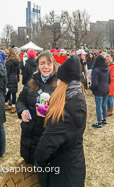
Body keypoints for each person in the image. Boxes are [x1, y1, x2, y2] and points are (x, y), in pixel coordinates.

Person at [34, 56, 87, 186]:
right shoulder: (77, 97)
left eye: (59, 80)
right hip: (74, 165)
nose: (57, 82)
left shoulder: (66, 111)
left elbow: (45, 148)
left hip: (63, 174)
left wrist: (39, 166)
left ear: (64, 83)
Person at [17, 51, 58, 165]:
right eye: (42, 63)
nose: (45, 67)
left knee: (42, 169)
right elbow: (21, 100)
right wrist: (22, 111)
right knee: (29, 165)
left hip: (46, 136)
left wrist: (48, 112)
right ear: (38, 65)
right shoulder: (31, 81)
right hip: (28, 135)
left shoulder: (59, 85)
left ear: (53, 65)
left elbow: (64, 113)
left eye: (49, 64)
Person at [89, 54, 110, 129]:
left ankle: (99, 123)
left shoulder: (95, 70)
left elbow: (95, 83)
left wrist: (91, 88)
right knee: (104, 105)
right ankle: (104, 119)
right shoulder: (107, 69)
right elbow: (109, 80)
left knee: (99, 107)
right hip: (106, 89)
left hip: (99, 90)